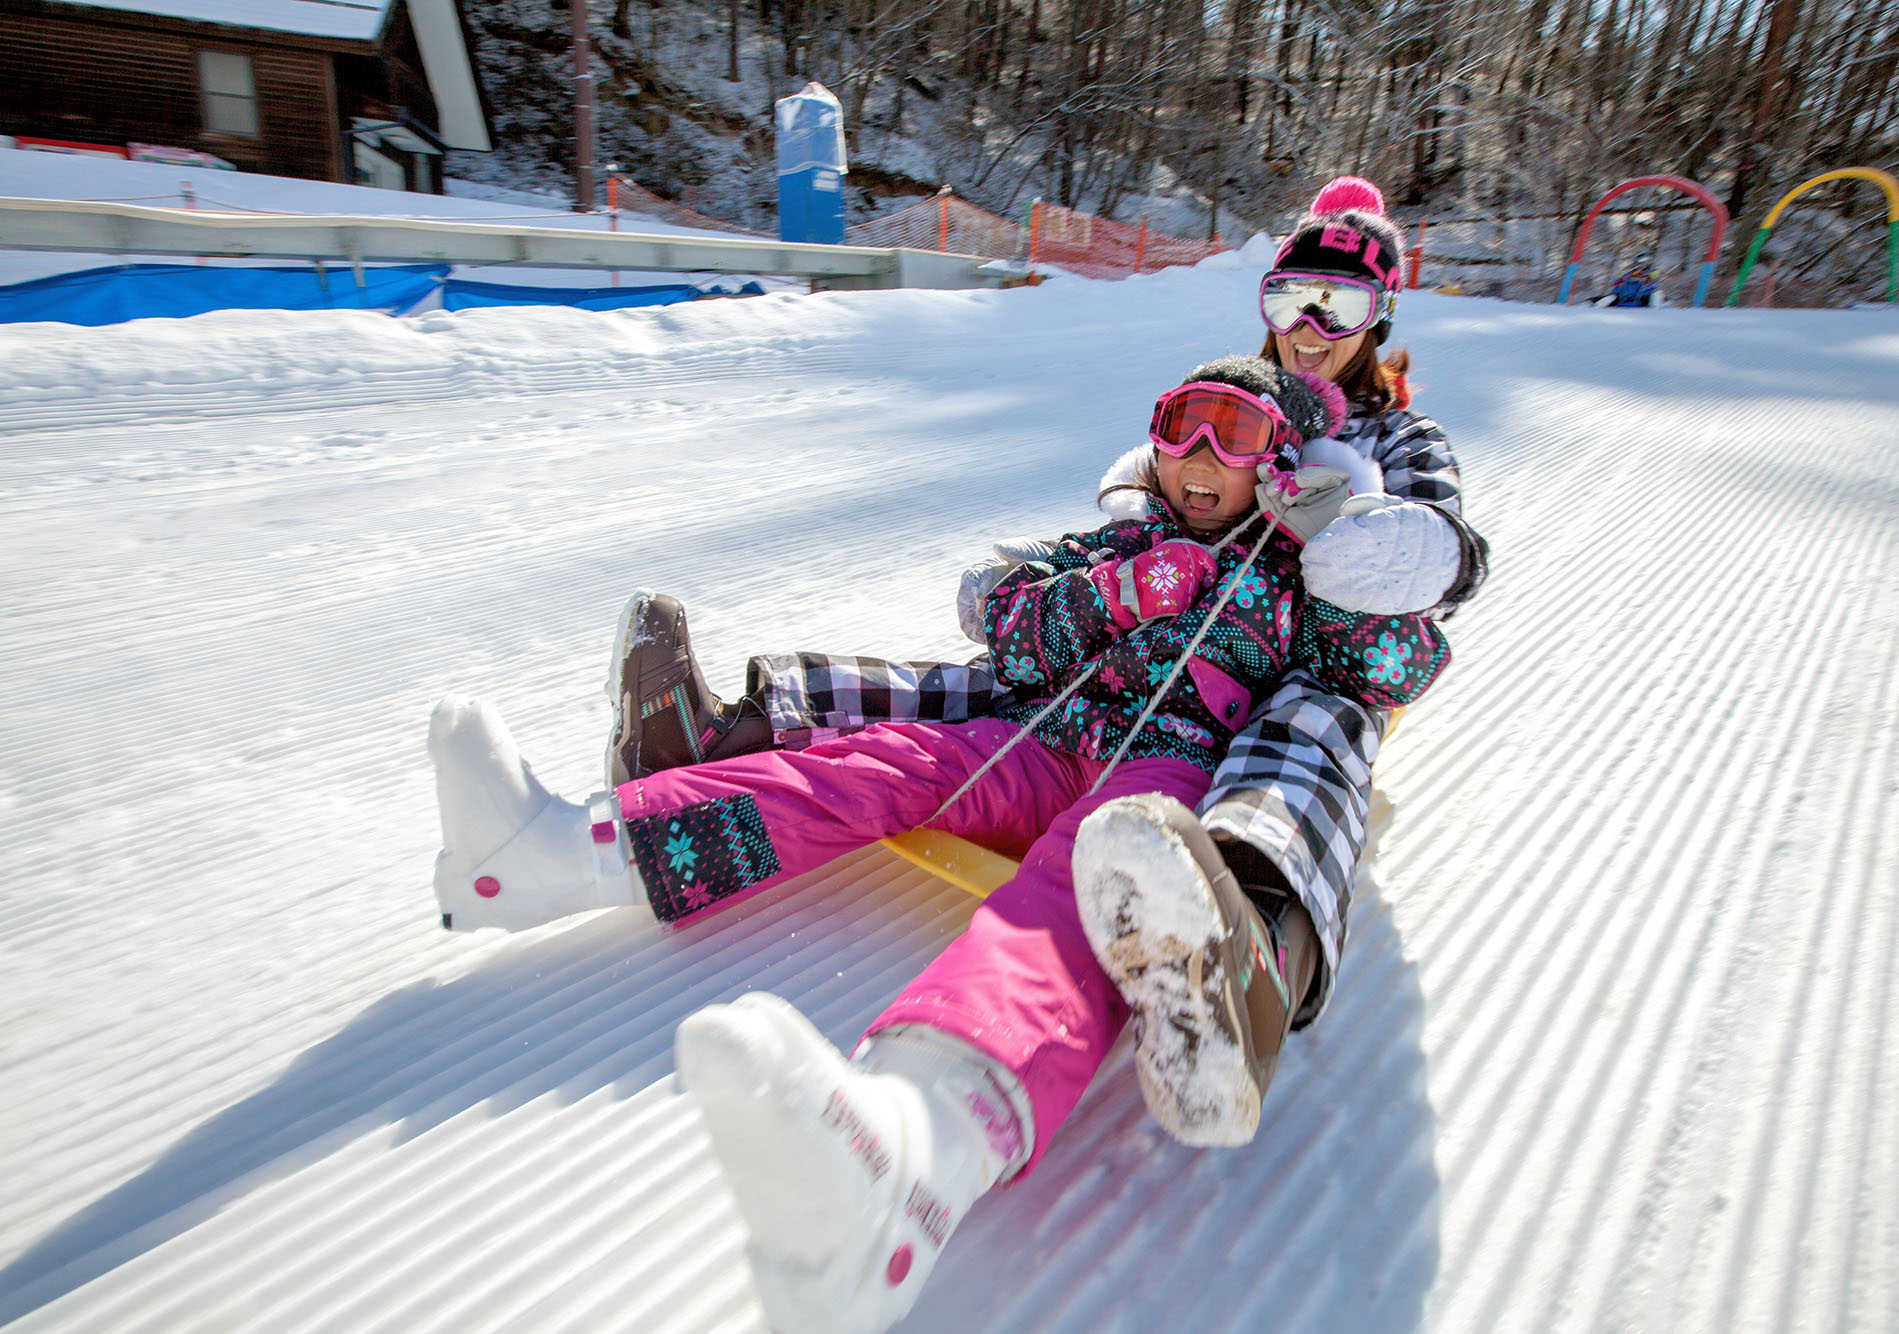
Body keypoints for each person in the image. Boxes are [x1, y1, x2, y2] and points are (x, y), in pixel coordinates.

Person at [427, 356, 1450, 1332]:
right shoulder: (1118, 544)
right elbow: (1001, 618)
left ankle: (914, 1149)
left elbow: (1397, 661)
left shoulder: (1289, 573)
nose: (1196, 451)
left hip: (1173, 767)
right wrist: (1114, 592)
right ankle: (559, 850)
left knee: (1082, 888)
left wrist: (1344, 563)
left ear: (1276, 459)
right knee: (876, 763)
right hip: (1046, 731)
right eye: (1179, 422)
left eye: (1231, 432)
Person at [602, 173, 1487, 1085]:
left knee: (1305, 730)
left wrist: (1355, 550)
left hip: (1322, 648)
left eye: (1337, 303)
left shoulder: (1403, 441)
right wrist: (1111, 563)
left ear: (1378, 314)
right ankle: (730, 733)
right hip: (1169, 636)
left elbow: (1439, 563)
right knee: (1019, 686)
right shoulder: (1248, 397)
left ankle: (1254, 939)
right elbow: (1155, 482)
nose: (1309, 325)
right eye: (1289, 296)